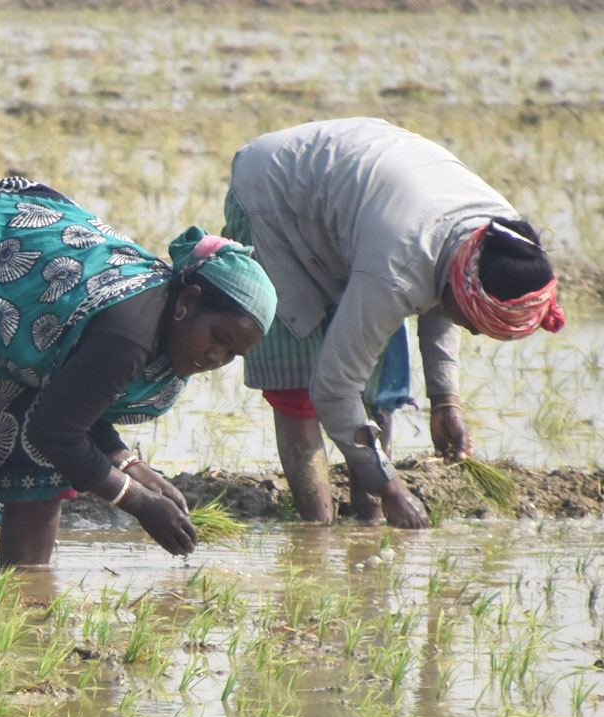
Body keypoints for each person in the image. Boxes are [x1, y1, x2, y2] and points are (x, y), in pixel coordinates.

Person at [0, 178, 277, 572]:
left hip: (0, 306)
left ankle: (25, 594)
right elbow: (57, 431)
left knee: (43, 454)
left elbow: (70, 399)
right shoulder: (131, 333)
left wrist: (128, 463)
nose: (217, 357)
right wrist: (136, 501)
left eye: (233, 355)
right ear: (187, 302)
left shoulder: (157, 333)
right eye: (218, 337)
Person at [223, 118, 564, 526]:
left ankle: (366, 517)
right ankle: (316, 529)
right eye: (475, 324)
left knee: (380, 387)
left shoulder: (501, 237)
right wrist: (391, 487)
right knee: (299, 386)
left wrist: (445, 400)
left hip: (365, 204)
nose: (472, 331)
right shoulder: (400, 266)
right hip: (276, 193)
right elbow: (333, 389)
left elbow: (444, 295)